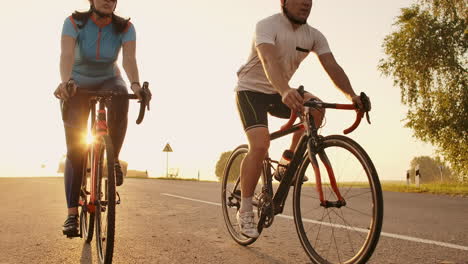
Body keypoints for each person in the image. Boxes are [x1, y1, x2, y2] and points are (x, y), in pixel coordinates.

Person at [234, 0, 365, 238]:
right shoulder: (266, 25)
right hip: (250, 91)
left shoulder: (314, 36)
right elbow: (268, 61)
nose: (306, 3)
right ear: (283, 2)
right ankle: (244, 210)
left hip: (279, 91)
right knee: (261, 145)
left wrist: (352, 95)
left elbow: (332, 66)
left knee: (316, 108)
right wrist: (285, 90)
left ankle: (287, 163)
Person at [54, 0, 144, 237]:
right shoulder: (74, 22)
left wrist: (135, 84)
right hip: (78, 81)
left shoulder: (125, 27)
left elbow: (128, 60)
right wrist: (66, 83)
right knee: (75, 151)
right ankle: (72, 214)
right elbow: (66, 55)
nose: (107, 0)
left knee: (122, 96)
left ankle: (113, 158)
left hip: (108, 78)